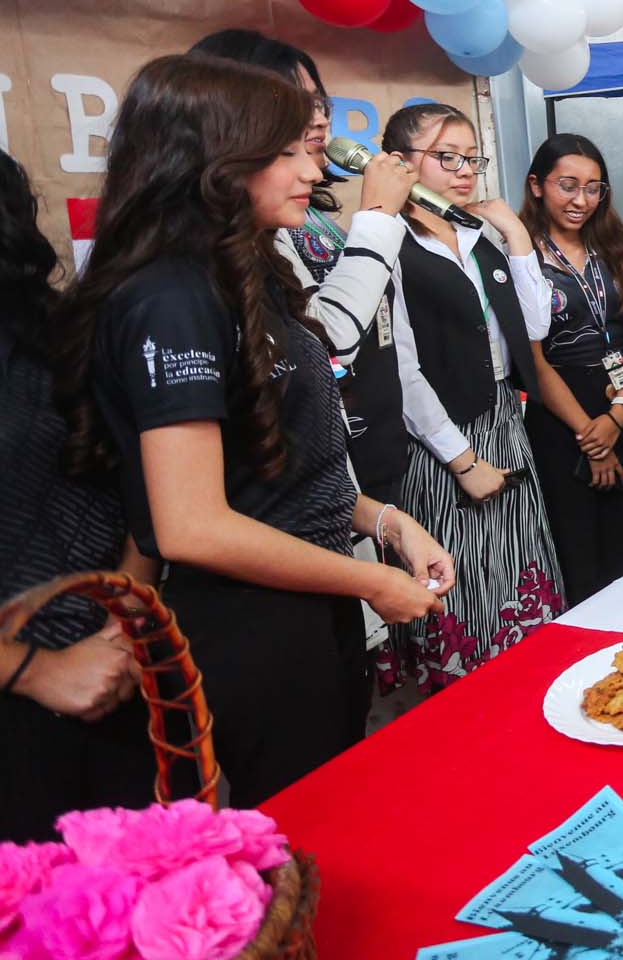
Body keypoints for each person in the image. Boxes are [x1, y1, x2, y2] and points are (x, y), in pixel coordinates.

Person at [50, 54, 452, 807]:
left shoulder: (245, 274)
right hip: (252, 621)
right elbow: (193, 525)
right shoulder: (169, 297)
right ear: (214, 163)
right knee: (308, 825)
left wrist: (387, 522)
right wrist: (370, 578)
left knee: (346, 808)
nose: (310, 169)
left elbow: (273, 468)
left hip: (309, 597)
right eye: (285, 152)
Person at [187, 29, 417, 503]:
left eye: (320, 103)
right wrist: (375, 222)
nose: (317, 120)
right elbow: (328, 339)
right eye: (294, 102)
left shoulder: (302, 210)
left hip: (359, 450)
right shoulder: (206, 259)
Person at [381, 102, 564, 691]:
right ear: (401, 163)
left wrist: (514, 234)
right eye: (446, 158)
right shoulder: (389, 241)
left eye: (472, 159)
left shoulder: (478, 233)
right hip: (438, 442)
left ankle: (525, 693)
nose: (464, 172)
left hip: (505, 424)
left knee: (518, 571)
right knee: (464, 583)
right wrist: (460, 459)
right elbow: (401, 369)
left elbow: (533, 328)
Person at [0, 149, 153, 841]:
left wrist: (120, 630)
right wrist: (32, 670)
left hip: (113, 672)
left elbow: (146, 487)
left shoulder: (63, 327)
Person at [520, 134, 623, 604]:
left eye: (594, 188)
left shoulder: (617, 247)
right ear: (537, 185)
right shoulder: (519, 255)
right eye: (568, 186)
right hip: (560, 417)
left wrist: (618, 412)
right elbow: (532, 359)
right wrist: (591, 436)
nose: (582, 200)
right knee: (578, 551)